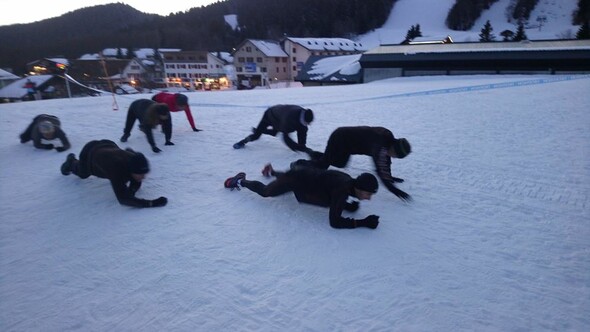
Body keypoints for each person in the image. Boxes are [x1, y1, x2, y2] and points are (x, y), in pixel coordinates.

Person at [223, 163, 380, 229]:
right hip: (296, 181)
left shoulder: (347, 182)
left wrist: (345, 205)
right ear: (358, 188)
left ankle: (271, 171)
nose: (369, 198)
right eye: (367, 194)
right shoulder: (342, 190)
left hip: (302, 177)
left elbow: (326, 188)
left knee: (291, 178)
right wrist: (363, 222)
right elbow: (335, 222)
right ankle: (239, 181)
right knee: (266, 192)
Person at [298, 126, 412, 202]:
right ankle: (301, 164)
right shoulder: (379, 145)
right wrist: (393, 189)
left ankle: (320, 156)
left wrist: (390, 177)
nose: (394, 157)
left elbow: (386, 161)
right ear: (393, 147)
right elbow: (380, 169)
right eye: (395, 155)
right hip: (339, 137)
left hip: (347, 146)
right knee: (323, 166)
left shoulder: (388, 141)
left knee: (340, 163)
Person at [60, 139, 168, 208]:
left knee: (130, 179)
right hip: (90, 153)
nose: (143, 177)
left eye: (144, 174)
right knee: (83, 174)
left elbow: (136, 181)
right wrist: (152, 203)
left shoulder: (135, 159)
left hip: (109, 145)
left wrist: (131, 192)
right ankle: (71, 162)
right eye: (140, 174)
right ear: (132, 170)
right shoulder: (116, 168)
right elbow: (123, 200)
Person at [233, 104, 314, 152]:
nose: (307, 124)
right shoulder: (290, 118)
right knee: (256, 136)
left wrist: (302, 146)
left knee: (275, 132)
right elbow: (286, 138)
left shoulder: (303, 117)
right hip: (269, 115)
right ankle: (242, 142)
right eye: (307, 123)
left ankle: (259, 130)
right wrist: (297, 148)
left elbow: (302, 133)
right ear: (303, 119)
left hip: (280, 116)